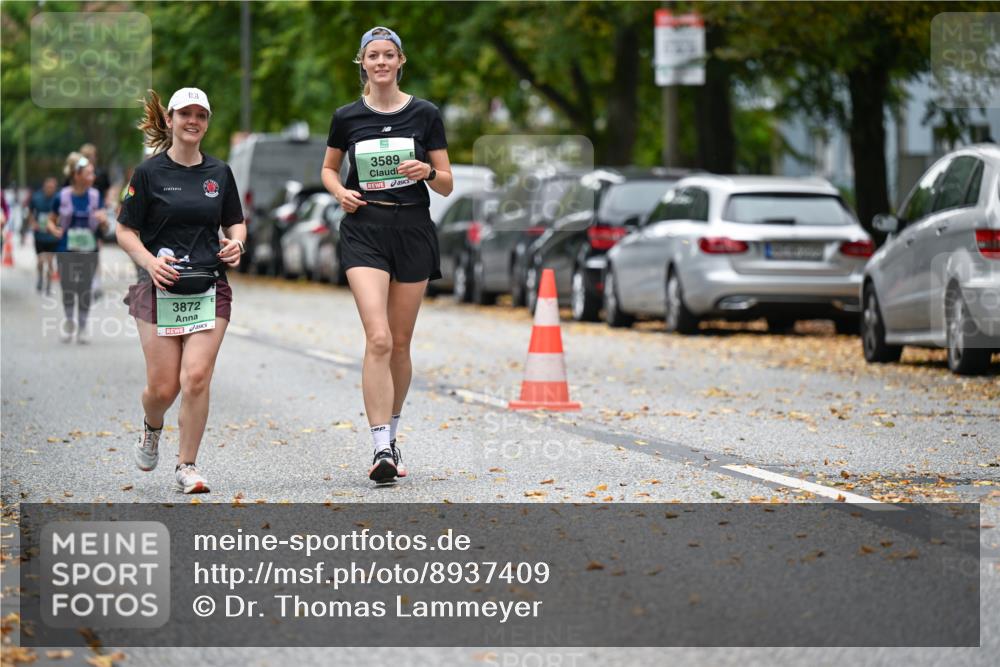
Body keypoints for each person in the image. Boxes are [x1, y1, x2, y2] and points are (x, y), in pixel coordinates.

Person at [322, 26, 453, 483]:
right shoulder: (346, 116)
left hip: (413, 228)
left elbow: (447, 182)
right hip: (365, 228)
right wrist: (340, 192)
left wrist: (428, 170)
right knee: (377, 338)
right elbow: (328, 168)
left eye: (388, 55)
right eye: (372, 55)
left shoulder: (425, 113)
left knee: (399, 342)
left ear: (401, 62)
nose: (380, 62)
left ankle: (393, 438)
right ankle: (380, 448)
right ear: (362, 62)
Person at [116, 88, 246, 494]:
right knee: (163, 387)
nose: (193, 121)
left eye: (201, 115)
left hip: (208, 285)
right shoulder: (148, 174)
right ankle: (152, 428)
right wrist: (149, 261)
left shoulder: (219, 173)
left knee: (196, 377)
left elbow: (235, 223)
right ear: (170, 120)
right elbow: (125, 230)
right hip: (158, 290)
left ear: (207, 122)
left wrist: (237, 242)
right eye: (185, 114)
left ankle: (186, 465)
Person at [47, 153, 107, 344]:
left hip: (89, 249)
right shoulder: (61, 196)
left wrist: (103, 221)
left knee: (84, 289)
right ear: (76, 175)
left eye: (93, 173)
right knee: (68, 287)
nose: (93, 177)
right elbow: (51, 219)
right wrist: (53, 229)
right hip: (66, 248)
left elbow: (104, 226)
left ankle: (82, 326)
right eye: (89, 173)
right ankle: (69, 321)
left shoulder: (96, 196)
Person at [28, 177, 59, 295]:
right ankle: (40, 278)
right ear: (44, 186)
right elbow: (30, 211)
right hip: (39, 235)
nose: (50, 189)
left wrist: (57, 225)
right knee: (41, 261)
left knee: (50, 262)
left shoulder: (58, 198)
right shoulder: (36, 197)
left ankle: (48, 285)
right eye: (48, 187)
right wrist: (33, 223)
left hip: (52, 236)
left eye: (52, 187)